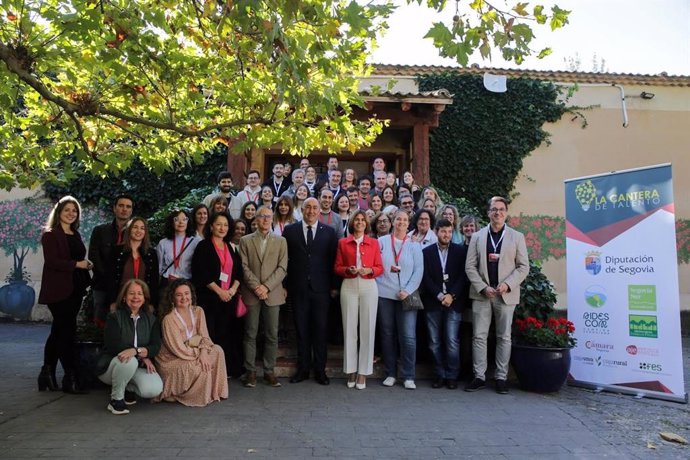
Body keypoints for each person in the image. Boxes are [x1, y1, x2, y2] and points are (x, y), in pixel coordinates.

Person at [465, 196, 529, 395]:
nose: (498, 213)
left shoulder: (517, 237)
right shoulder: (477, 237)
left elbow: (523, 267)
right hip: (483, 294)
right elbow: (470, 266)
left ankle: (501, 377)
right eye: (494, 209)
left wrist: (507, 285)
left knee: (504, 337)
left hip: (505, 295)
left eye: (501, 209)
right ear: (488, 213)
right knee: (479, 337)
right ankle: (479, 376)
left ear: (506, 213)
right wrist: (483, 287)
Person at [38, 195, 93, 394]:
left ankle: (47, 373)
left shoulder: (75, 234)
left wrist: (85, 264)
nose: (71, 213)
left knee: (59, 330)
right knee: (67, 331)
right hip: (58, 290)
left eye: (74, 210)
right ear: (59, 212)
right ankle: (70, 376)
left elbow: (77, 257)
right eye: (67, 210)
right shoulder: (50, 234)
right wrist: (77, 264)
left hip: (75, 288)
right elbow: (52, 261)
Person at [283, 198, 338, 385]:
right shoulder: (290, 231)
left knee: (320, 331)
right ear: (302, 209)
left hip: (321, 290)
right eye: (308, 207)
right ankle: (303, 369)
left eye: (315, 207)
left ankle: (320, 371)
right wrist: (285, 285)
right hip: (298, 289)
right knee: (302, 330)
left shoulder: (329, 232)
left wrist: (333, 287)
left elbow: (333, 261)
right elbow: (285, 260)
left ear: (319, 210)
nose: (312, 210)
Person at [155, 279, 228, 406]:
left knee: (218, 350)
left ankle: (212, 391)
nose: (184, 297)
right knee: (198, 365)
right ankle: (183, 394)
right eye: (179, 295)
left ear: (191, 294)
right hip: (172, 359)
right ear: (172, 298)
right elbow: (178, 349)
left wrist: (204, 352)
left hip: (194, 351)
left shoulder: (198, 311)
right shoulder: (169, 319)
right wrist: (200, 355)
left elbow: (205, 337)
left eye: (187, 293)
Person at [96, 279, 163, 415]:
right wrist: (141, 354)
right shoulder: (115, 316)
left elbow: (156, 346)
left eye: (140, 293)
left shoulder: (151, 319)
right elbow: (113, 345)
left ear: (144, 298)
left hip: (136, 365)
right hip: (111, 366)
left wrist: (138, 351)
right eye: (131, 293)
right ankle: (116, 400)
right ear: (124, 297)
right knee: (128, 360)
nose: (136, 297)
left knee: (153, 389)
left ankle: (128, 389)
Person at [239, 206, 288, 388]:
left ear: (272, 219)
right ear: (256, 220)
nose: (266, 220)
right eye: (262, 217)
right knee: (250, 333)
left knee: (272, 334)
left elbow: (282, 267)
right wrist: (256, 287)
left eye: (269, 217)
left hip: (272, 293)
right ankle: (250, 371)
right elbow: (243, 267)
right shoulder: (245, 241)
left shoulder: (281, 241)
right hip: (251, 293)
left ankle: (269, 371)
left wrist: (266, 286)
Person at [334, 211, 384, 390]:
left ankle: (363, 372)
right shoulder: (343, 242)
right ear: (353, 222)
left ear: (367, 223)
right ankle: (351, 370)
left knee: (367, 329)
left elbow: (380, 268)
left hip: (369, 286)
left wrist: (369, 270)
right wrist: (349, 269)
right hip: (349, 284)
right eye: (357, 219)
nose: (360, 222)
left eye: (363, 220)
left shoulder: (374, 242)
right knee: (349, 329)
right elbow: (337, 267)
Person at [191, 212, 244, 378]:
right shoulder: (203, 246)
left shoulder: (230, 246)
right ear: (211, 226)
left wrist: (232, 290)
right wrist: (219, 291)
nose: (222, 228)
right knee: (211, 333)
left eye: (226, 225)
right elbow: (201, 273)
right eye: (219, 224)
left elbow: (238, 272)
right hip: (210, 299)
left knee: (227, 333)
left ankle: (225, 369)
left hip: (229, 298)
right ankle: (210, 370)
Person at [376, 211, 423, 390]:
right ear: (392, 222)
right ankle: (390, 373)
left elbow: (419, 270)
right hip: (385, 295)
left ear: (408, 223)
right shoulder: (381, 242)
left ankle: (408, 375)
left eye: (404, 220)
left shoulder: (414, 245)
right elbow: (377, 266)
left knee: (408, 337)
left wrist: (408, 290)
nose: (401, 222)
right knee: (388, 335)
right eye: (398, 219)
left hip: (406, 295)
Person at [421, 219, 468, 390]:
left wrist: (451, 295)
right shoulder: (426, 252)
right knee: (434, 341)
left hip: (453, 303)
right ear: (436, 232)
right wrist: (440, 295)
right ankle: (439, 374)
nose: (446, 235)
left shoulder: (460, 251)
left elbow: (463, 277)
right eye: (443, 231)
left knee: (451, 340)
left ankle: (452, 375)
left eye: (449, 232)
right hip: (433, 302)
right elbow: (425, 277)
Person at [89, 193, 133, 326]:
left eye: (128, 207)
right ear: (114, 208)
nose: (124, 209)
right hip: (102, 284)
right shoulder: (100, 231)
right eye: (121, 205)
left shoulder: (136, 232)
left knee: (125, 324)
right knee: (101, 321)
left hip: (126, 286)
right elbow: (94, 257)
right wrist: (109, 278)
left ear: (131, 210)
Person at [108, 217, 159, 308]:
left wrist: (151, 304)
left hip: (143, 301)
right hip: (120, 300)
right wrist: (112, 302)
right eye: (135, 227)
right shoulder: (116, 251)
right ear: (129, 230)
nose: (138, 230)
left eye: (142, 228)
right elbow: (110, 278)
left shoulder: (151, 253)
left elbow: (154, 281)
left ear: (145, 232)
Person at [156, 209, 199, 291]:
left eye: (184, 219)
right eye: (177, 219)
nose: (181, 222)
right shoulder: (163, 243)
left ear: (188, 222)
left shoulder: (196, 242)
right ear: (172, 222)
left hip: (187, 283)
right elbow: (159, 267)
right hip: (167, 284)